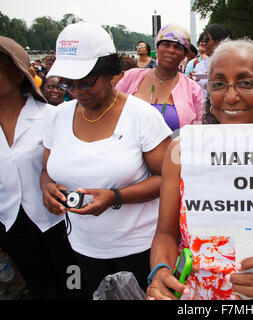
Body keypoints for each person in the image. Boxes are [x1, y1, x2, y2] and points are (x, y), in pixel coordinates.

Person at [147, 39, 253, 300]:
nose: (231, 96)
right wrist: (161, 271)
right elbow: (166, 233)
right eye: (219, 84)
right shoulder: (182, 152)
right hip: (195, 294)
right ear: (208, 92)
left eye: (246, 82)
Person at [41, 22, 172, 297]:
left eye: (87, 82)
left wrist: (115, 197)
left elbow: (167, 181)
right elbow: (46, 171)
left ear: (111, 73)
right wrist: (47, 189)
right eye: (69, 83)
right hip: (82, 246)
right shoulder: (58, 117)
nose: (78, 91)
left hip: (138, 247)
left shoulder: (142, 117)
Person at [0, 36, 88, 300]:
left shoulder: (53, 117)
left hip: (58, 223)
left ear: (17, 75)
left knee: (75, 288)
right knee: (40, 289)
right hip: (12, 227)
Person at [116, 24, 203, 131]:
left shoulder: (193, 89)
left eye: (178, 47)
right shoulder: (131, 77)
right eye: (166, 44)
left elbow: (198, 129)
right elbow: (112, 109)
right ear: (157, 48)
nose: (171, 50)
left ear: (185, 55)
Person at [191, 23, 232, 99]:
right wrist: (190, 81)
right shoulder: (200, 66)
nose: (203, 43)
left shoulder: (236, 64)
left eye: (206, 40)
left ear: (219, 41)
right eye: (203, 40)